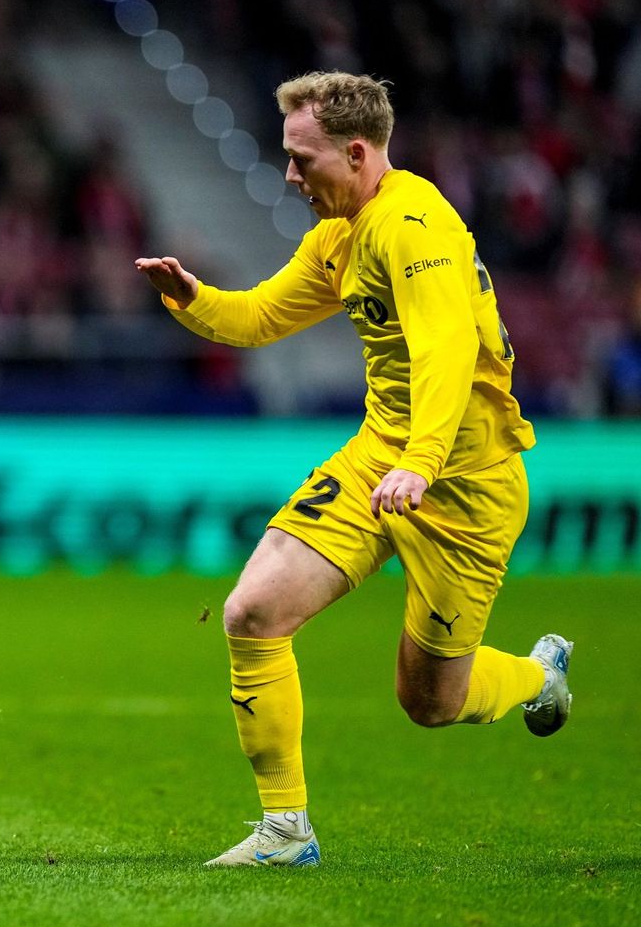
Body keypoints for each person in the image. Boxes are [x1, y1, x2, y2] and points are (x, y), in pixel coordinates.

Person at [134, 72, 573, 867]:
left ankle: (537, 677)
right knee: (253, 613)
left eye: (303, 160)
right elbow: (265, 313)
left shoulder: (415, 226)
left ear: (359, 151)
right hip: (385, 458)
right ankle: (285, 832)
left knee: (430, 701)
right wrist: (194, 299)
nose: (292, 176)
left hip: (465, 484)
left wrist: (424, 461)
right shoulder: (343, 232)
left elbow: (446, 351)